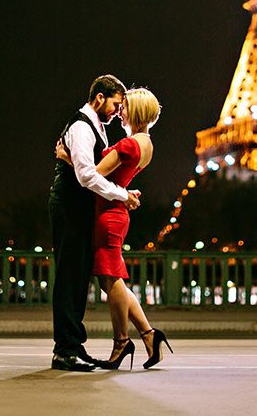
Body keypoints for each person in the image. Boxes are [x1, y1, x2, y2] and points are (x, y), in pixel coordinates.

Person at [57, 87, 173, 371]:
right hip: (116, 212)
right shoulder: (146, 144)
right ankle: (144, 336)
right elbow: (117, 177)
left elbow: (91, 174)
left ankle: (126, 340)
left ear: (135, 112)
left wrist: (67, 158)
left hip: (108, 214)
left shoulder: (128, 145)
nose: (120, 112)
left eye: (125, 107)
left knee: (111, 280)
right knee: (112, 278)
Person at [48, 75, 141, 372]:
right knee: (69, 278)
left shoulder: (95, 126)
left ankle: (73, 345)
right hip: (70, 208)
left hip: (77, 208)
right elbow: (87, 176)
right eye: (115, 103)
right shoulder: (81, 127)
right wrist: (121, 194)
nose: (118, 110)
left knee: (76, 280)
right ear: (99, 98)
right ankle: (64, 350)